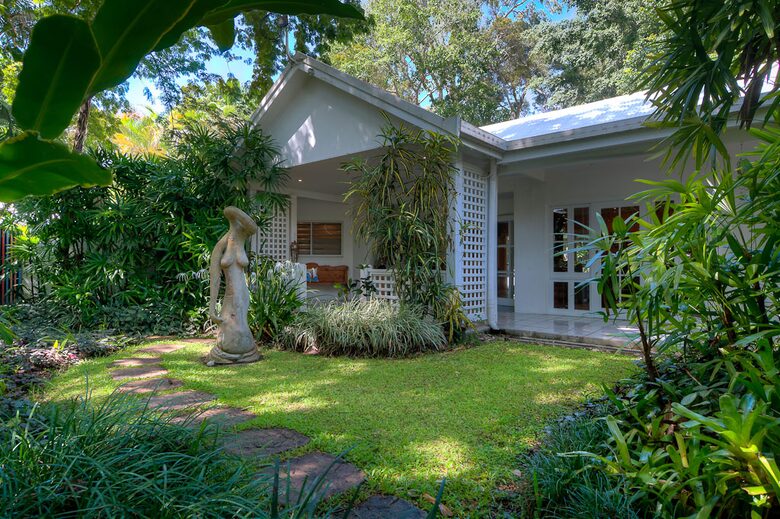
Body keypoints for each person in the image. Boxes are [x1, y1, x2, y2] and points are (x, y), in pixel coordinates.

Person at [207, 206, 261, 364]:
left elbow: (252, 227)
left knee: (242, 330)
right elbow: (215, 276)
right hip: (230, 296)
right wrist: (211, 307)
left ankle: (243, 354)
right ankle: (226, 355)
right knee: (230, 331)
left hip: (242, 295)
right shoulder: (221, 245)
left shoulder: (243, 238)